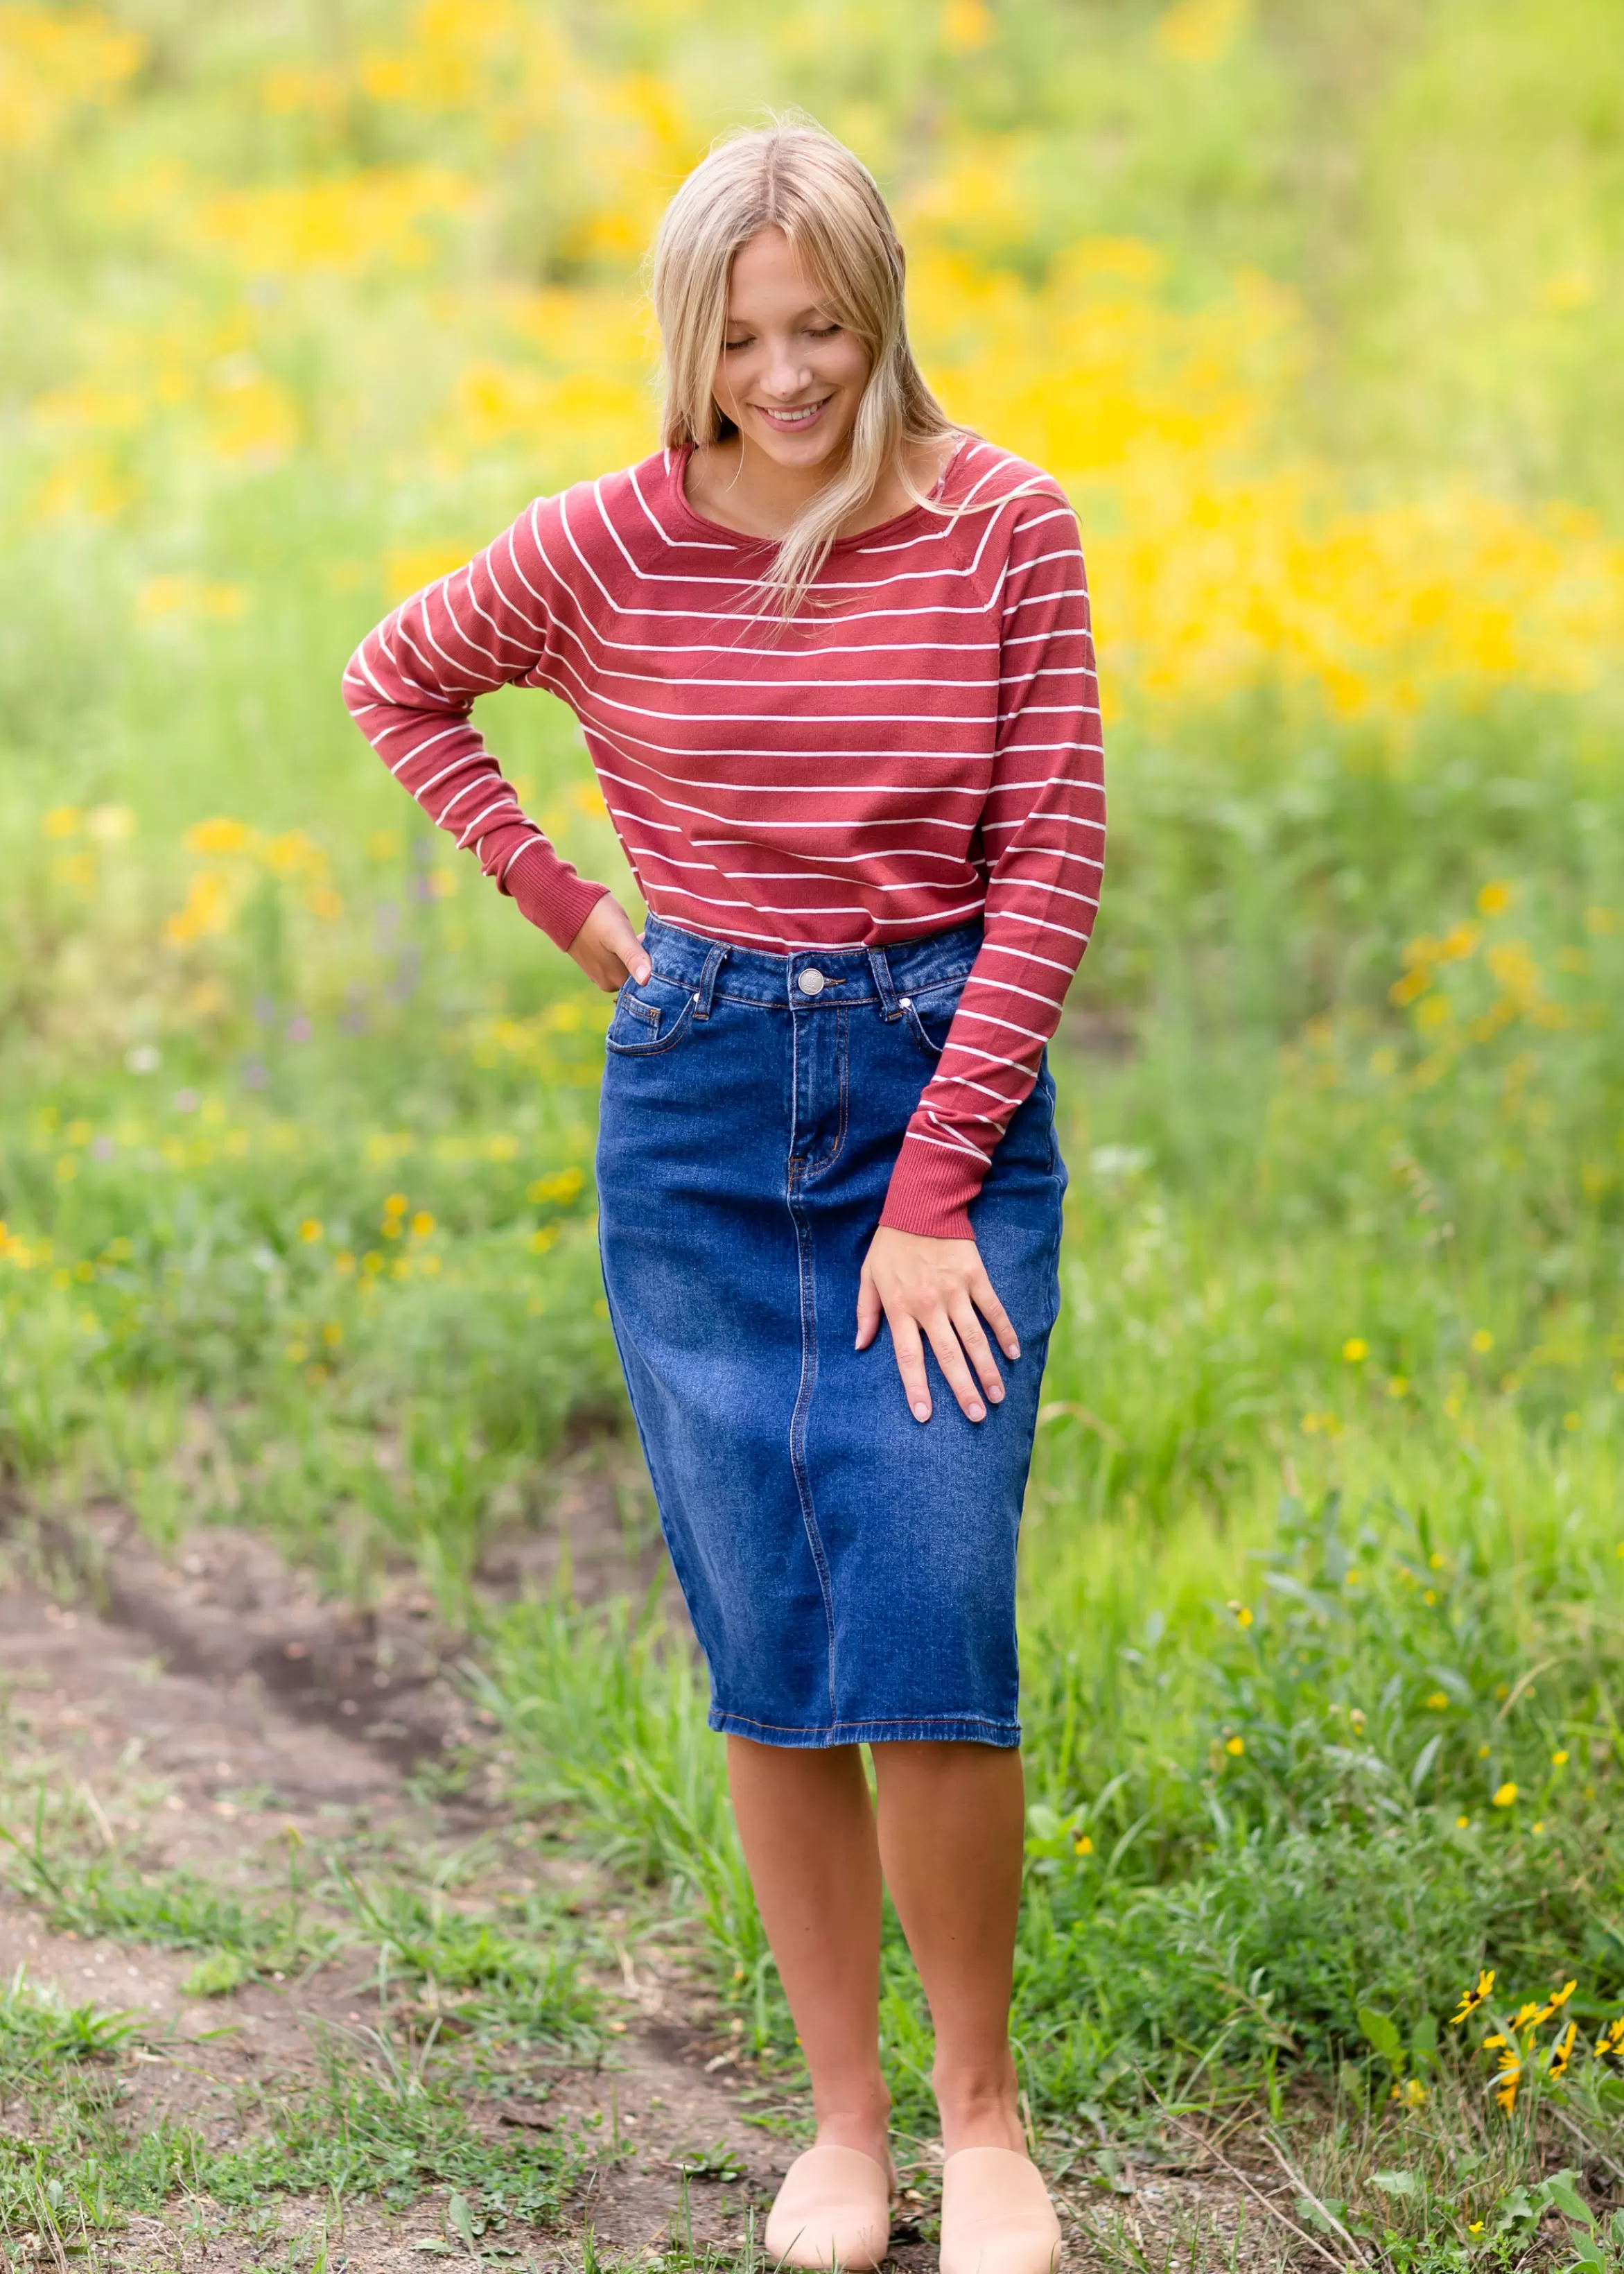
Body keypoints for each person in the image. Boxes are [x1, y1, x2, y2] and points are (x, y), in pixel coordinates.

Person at [342, 114, 1103, 2274]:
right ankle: (841, 2131)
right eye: (747, 337)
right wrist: (570, 910)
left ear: (883, 318)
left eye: (826, 329)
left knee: (931, 1615)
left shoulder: (999, 532)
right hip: (695, 1118)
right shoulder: (600, 544)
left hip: (933, 1106)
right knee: (772, 1635)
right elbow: (398, 679)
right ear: (688, 337)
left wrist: (936, 1185)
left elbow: (1049, 857)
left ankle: (984, 2126)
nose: (787, 376)